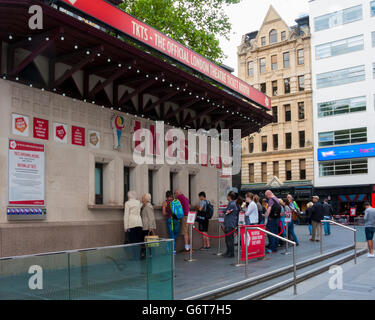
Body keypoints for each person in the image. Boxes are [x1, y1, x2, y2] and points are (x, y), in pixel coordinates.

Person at [223, 191, 241, 258]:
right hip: (229, 223)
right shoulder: (231, 203)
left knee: (230, 239)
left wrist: (224, 210)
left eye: (227, 195)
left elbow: (227, 211)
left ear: (229, 197)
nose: (227, 197)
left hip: (230, 223)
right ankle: (228, 251)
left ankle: (231, 253)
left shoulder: (232, 204)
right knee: (227, 239)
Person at [140, 193, 156, 258]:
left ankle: (149, 254)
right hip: (145, 226)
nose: (142, 199)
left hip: (147, 227)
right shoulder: (145, 206)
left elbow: (151, 217)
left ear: (146, 199)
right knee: (147, 241)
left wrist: (151, 227)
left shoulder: (148, 206)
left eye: (143, 198)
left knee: (148, 241)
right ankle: (147, 253)